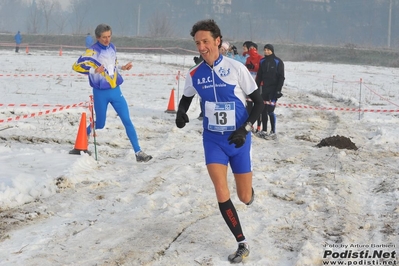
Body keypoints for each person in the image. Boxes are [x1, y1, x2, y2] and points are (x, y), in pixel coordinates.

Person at [175, 19, 264, 263]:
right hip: (213, 141)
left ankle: (249, 194)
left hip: (239, 140)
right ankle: (242, 242)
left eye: (205, 41)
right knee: (221, 190)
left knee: (244, 197)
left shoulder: (236, 69)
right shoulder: (194, 73)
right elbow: (186, 99)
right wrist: (181, 113)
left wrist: (245, 129)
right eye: (197, 43)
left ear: (217, 41)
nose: (201, 47)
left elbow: (258, 102)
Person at [72, 24, 152, 162]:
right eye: (104, 37)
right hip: (100, 93)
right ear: (98, 37)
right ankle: (81, 141)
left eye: (109, 36)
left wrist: (123, 67)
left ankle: (138, 152)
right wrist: (93, 71)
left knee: (127, 120)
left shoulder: (113, 47)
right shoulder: (91, 51)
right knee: (101, 124)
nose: (107, 40)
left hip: (116, 91)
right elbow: (76, 66)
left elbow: (112, 65)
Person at [255, 44, 285, 140]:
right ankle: (264, 130)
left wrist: (278, 90)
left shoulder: (278, 61)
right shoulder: (262, 61)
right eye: (265, 50)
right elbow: (259, 75)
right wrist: (256, 87)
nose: (266, 52)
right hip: (265, 89)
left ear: (272, 51)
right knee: (263, 110)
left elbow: (281, 77)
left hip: (274, 90)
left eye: (268, 50)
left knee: (270, 111)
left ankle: (273, 131)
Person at [244, 42, 263, 126]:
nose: (252, 50)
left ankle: (258, 125)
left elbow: (261, 70)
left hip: (258, 84)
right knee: (248, 105)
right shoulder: (247, 59)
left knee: (258, 104)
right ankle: (248, 124)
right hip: (249, 83)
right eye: (250, 48)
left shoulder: (260, 58)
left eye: (253, 48)